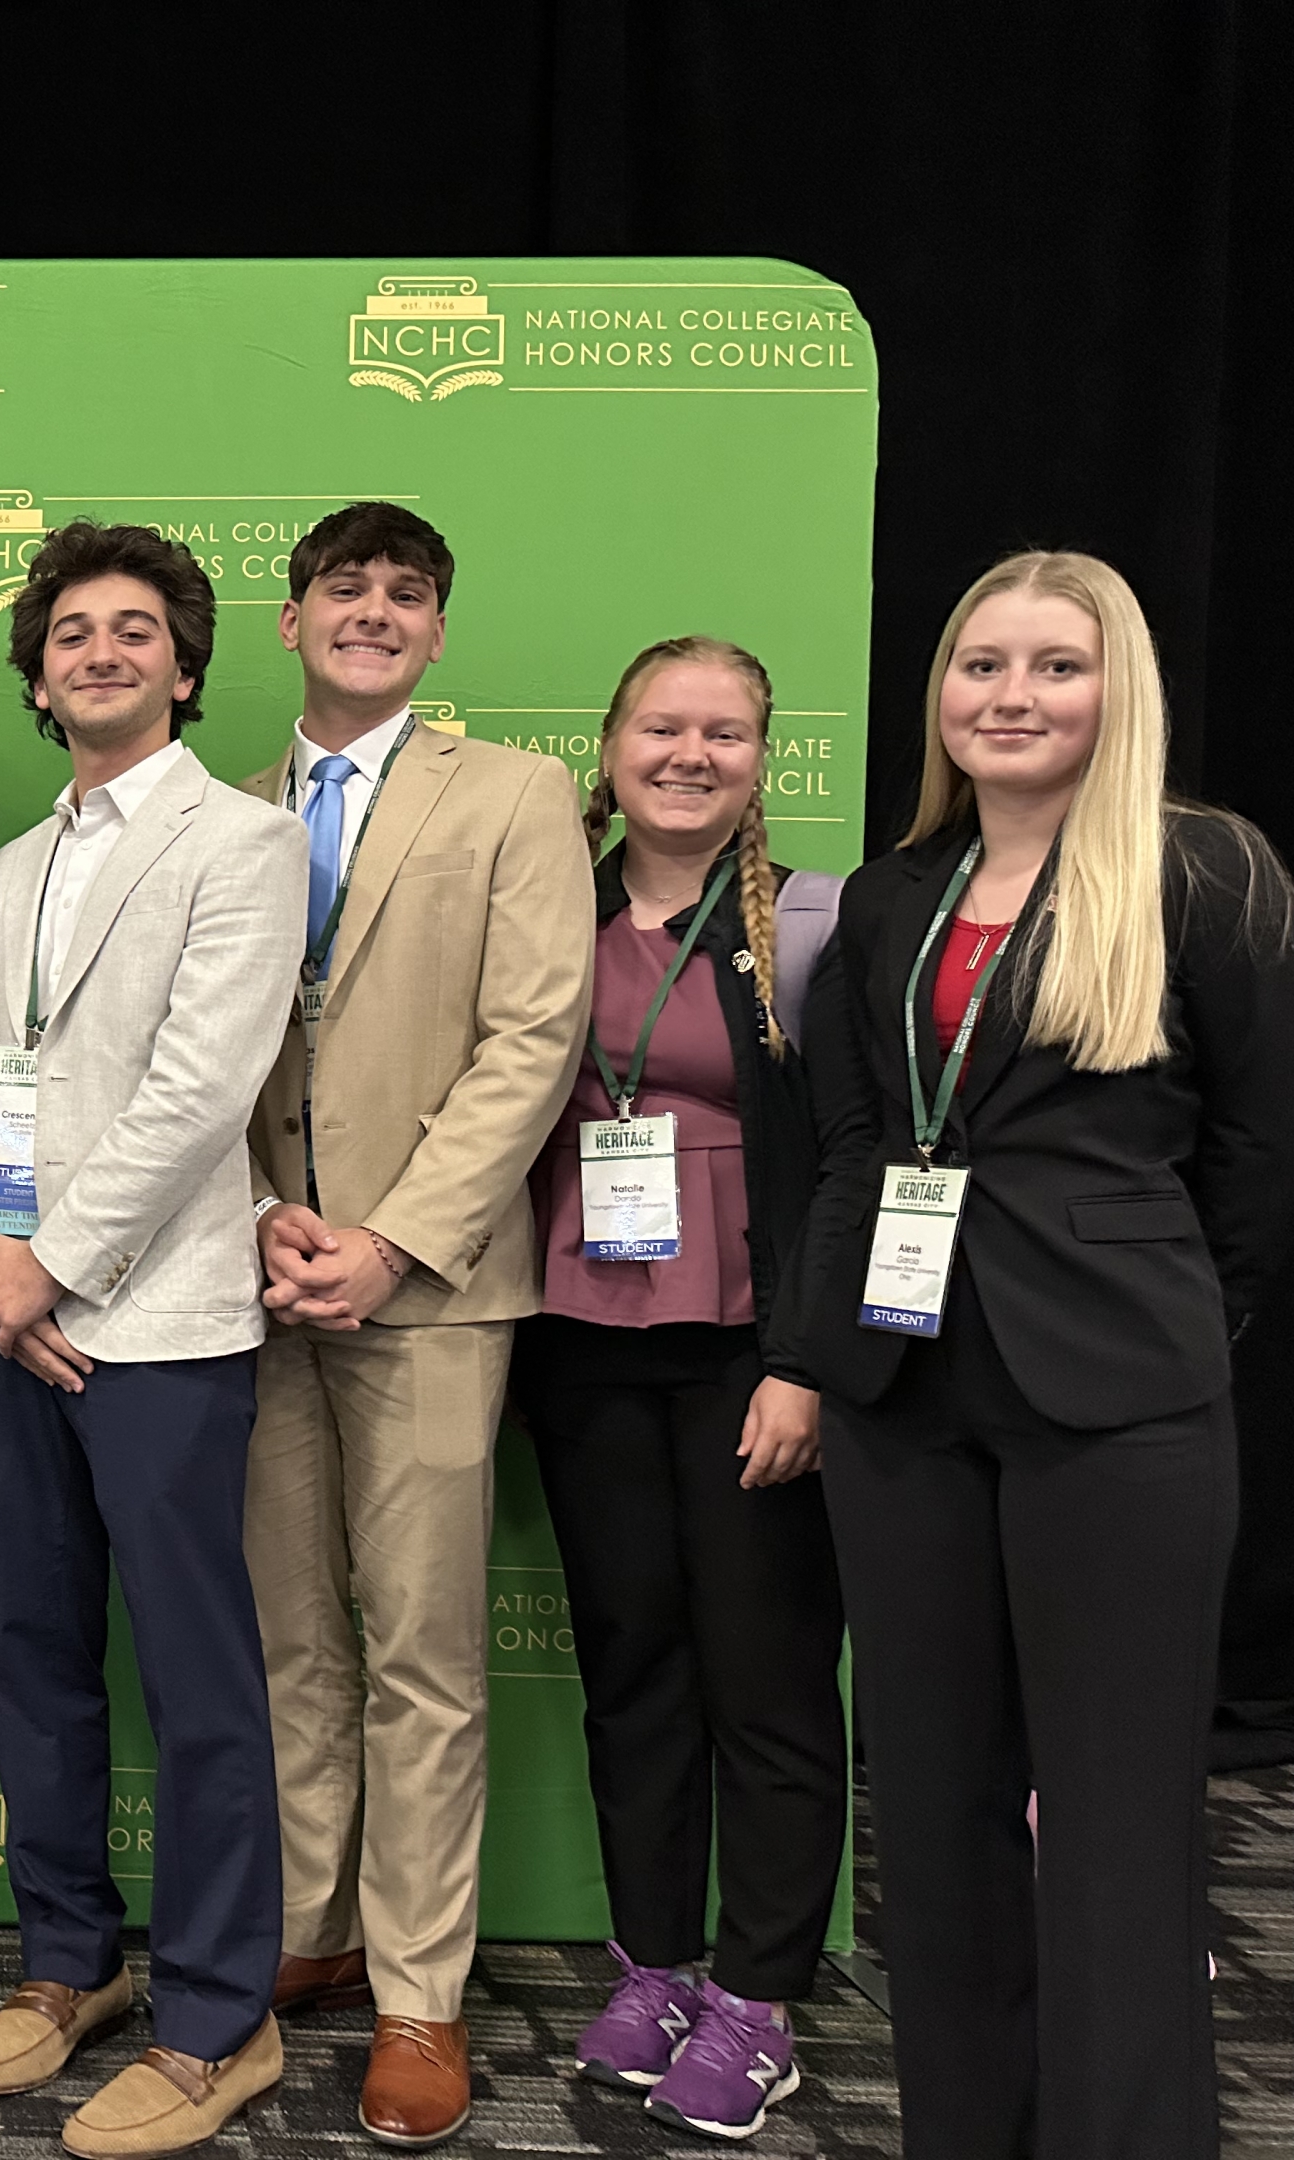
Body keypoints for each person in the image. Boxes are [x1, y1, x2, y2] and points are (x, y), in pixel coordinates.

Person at [771, 552, 1294, 2160]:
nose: (1011, 697)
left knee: (1119, 1831)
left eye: (1054, 668)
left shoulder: (1207, 874)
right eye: (981, 666)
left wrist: (1160, 1328)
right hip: (907, 1405)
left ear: (1115, 688)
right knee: (932, 1821)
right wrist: (816, 1353)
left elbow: (1256, 1167)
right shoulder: (891, 892)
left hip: (1120, 1414)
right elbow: (857, 1149)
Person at [0, 522, 306, 2158]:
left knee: (199, 1678)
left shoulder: (244, 841)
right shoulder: (10, 868)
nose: (101, 651)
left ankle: (223, 2019)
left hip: (156, 1325)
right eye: (71, 632)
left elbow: (201, 1091)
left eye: (135, 630)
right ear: (36, 671)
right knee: (33, 1656)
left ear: (186, 662)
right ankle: (72, 1962)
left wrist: (57, 1269)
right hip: (11, 1320)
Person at [238, 503, 594, 2148]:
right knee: (293, 1641)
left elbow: (533, 1040)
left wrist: (386, 1242)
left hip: (432, 1290)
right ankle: (313, 1928)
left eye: (408, 595)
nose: (374, 613)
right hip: (249, 1280)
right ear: (290, 618)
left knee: (425, 1658)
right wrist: (255, 1223)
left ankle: (420, 1996)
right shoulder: (226, 807)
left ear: (438, 633)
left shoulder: (515, 795)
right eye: (343, 590)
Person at [507, 637, 846, 2141]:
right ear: (612, 741)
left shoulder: (810, 931)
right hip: (580, 1336)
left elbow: (852, 1166)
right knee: (634, 1666)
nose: (691, 753)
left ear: (764, 758)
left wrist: (807, 1364)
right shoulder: (545, 912)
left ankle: (760, 1999)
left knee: (765, 1680)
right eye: (663, 726)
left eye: (726, 732)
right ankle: (657, 1965)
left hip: (748, 1353)